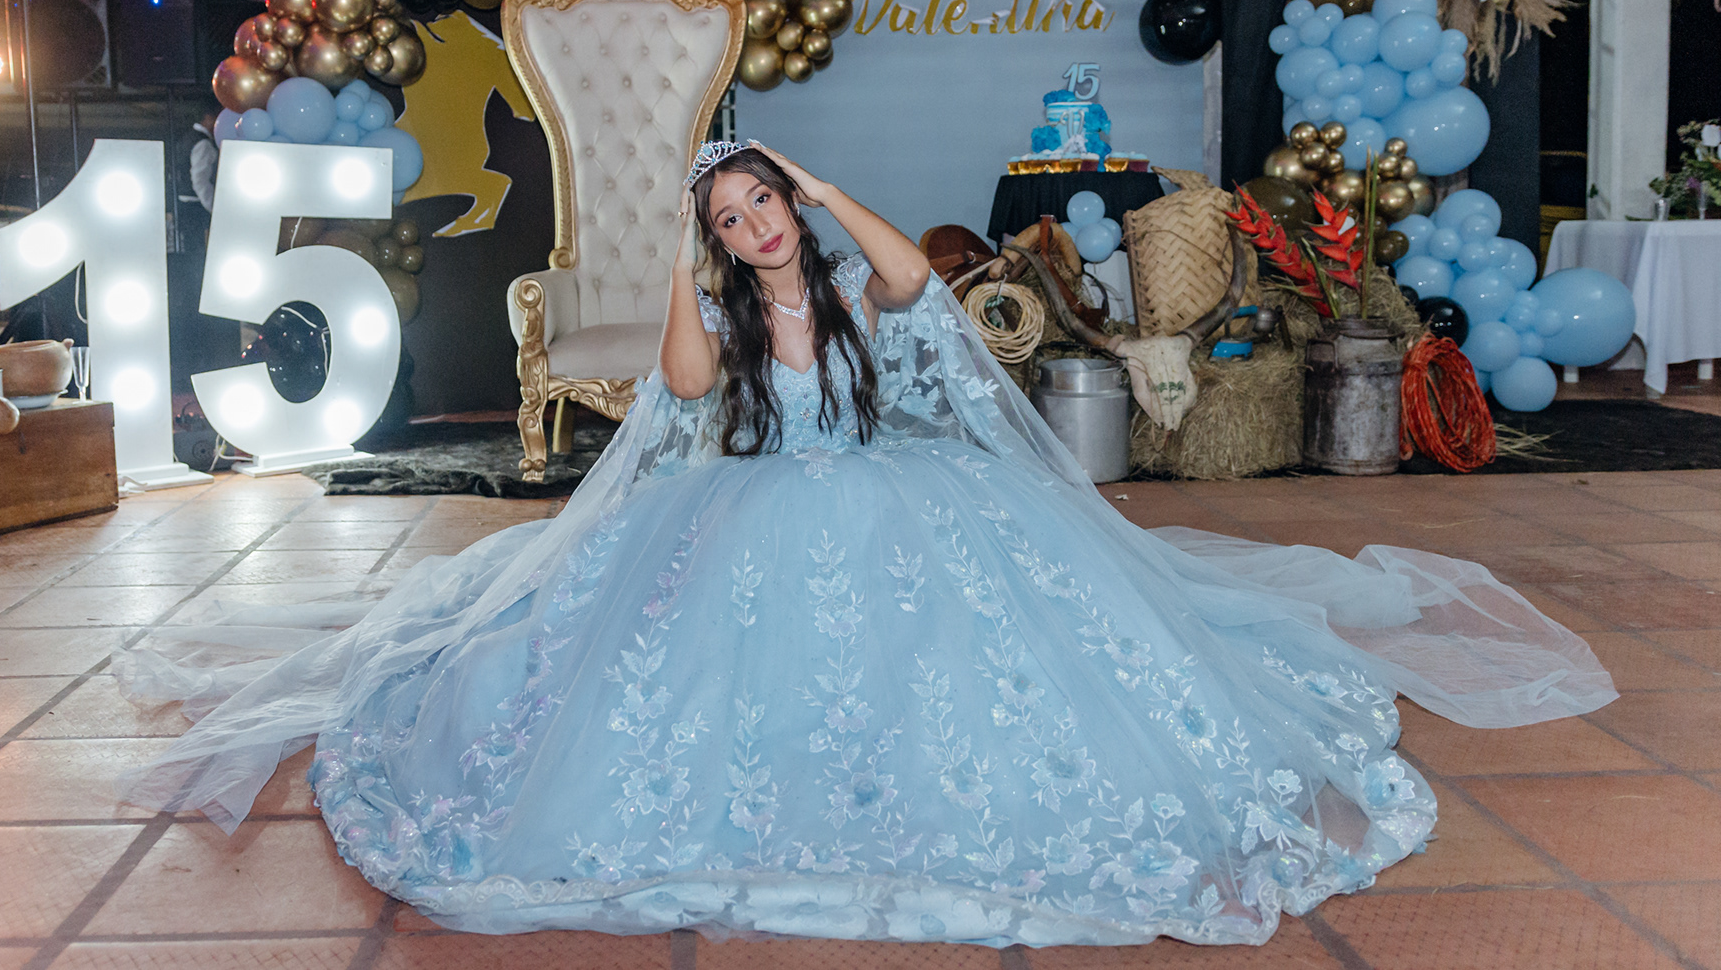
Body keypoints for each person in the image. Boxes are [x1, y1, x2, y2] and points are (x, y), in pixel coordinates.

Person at [116, 140, 1613, 948]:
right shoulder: (722, 312)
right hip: (757, 509)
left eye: (762, 205)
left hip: (894, 493)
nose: (757, 227)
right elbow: (681, 388)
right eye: (735, 218)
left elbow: (916, 285)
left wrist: (829, 193)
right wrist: (684, 263)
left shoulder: (843, 280)